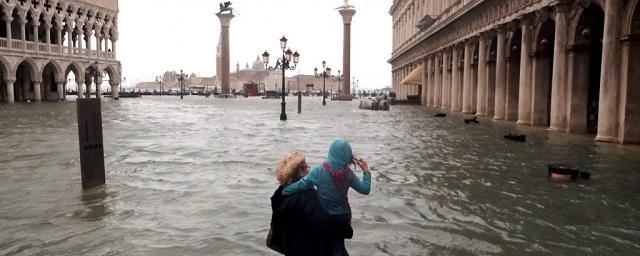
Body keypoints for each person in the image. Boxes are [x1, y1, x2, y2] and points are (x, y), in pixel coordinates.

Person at [282, 139, 371, 255]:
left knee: (323, 246)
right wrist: (366, 171)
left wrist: (285, 191)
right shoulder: (348, 173)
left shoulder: (318, 171)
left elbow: (301, 185)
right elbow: (365, 189)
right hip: (343, 217)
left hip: (323, 216)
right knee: (338, 246)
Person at [268, 152, 352, 256]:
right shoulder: (304, 196)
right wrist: (347, 228)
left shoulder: (280, 194)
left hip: (291, 249)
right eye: (307, 168)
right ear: (300, 172)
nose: (309, 171)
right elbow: (325, 222)